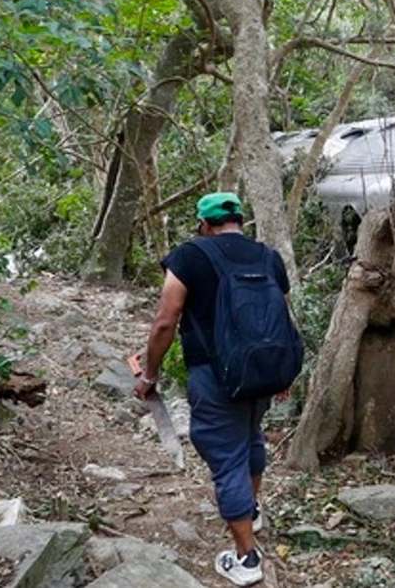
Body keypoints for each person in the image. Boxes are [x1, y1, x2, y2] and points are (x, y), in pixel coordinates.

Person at [135, 192, 290, 587]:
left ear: (205, 225)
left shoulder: (190, 255)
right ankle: (251, 512)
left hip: (213, 374)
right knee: (250, 438)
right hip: (262, 372)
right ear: (239, 219)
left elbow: (165, 322)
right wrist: (281, 375)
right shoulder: (268, 257)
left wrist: (149, 373)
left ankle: (246, 558)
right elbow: (280, 318)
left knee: (225, 456)